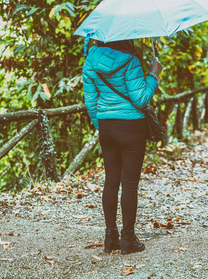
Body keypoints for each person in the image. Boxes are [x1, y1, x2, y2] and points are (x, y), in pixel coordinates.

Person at [82, 39, 163, 254]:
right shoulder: (131, 60)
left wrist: (103, 126)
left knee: (110, 182)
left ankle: (111, 238)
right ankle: (128, 239)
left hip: (107, 126)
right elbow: (140, 99)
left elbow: (90, 100)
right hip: (131, 127)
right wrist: (153, 75)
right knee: (129, 184)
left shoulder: (90, 59)